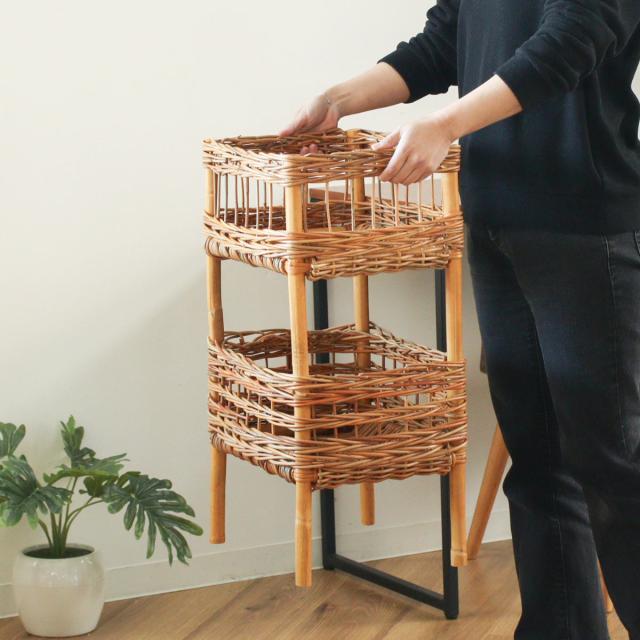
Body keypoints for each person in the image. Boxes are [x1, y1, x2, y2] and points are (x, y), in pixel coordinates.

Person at [280, 2, 640, 639]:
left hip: (584, 228)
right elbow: (444, 42)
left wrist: (444, 125)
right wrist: (338, 99)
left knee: (611, 467)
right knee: (538, 461)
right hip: (496, 216)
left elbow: (569, 41)